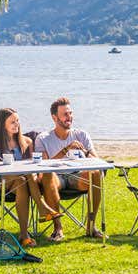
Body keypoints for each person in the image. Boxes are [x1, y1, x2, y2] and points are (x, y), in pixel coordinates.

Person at [34, 97, 105, 241]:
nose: (69, 117)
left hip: (77, 176)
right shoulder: (43, 138)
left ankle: (91, 226)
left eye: (70, 113)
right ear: (55, 117)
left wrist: (84, 151)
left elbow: (97, 161)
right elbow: (43, 166)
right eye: (65, 114)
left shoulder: (81, 135)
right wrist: (66, 149)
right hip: (56, 178)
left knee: (97, 173)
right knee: (47, 175)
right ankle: (57, 228)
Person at [0, 107, 40, 248]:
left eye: (17, 120)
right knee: (23, 177)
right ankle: (42, 209)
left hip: (19, 181)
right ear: (2, 124)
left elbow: (32, 166)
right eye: (12, 122)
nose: (16, 124)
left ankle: (24, 235)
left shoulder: (26, 142)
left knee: (23, 179)